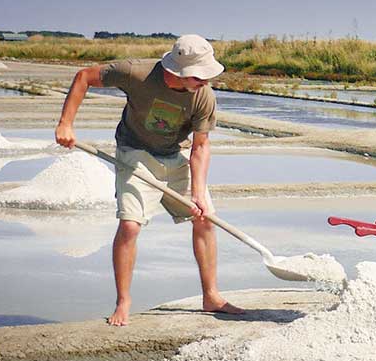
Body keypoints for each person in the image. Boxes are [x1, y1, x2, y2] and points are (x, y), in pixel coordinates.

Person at [55, 34, 244, 326]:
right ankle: (123, 301)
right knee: (130, 225)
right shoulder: (136, 73)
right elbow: (84, 77)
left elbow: (201, 146)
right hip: (135, 153)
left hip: (173, 155)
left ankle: (211, 296)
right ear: (178, 72)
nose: (206, 82)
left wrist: (197, 193)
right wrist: (66, 123)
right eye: (199, 77)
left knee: (205, 218)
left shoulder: (204, 96)